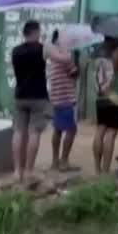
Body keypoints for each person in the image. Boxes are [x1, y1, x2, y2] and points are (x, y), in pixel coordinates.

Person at [10, 21, 50, 183]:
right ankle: (29, 170)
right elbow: (58, 57)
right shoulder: (42, 49)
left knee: (19, 132)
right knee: (34, 133)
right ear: (36, 32)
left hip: (20, 95)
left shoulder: (15, 51)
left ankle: (17, 171)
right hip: (38, 96)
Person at [92, 41, 118, 174]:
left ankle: (97, 169)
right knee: (111, 133)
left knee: (100, 131)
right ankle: (106, 170)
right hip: (115, 96)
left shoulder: (98, 53)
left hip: (100, 97)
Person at [46, 30, 80, 172]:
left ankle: (55, 162)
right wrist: (77, 63)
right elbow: (74, 74)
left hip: (56, 97)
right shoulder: (65, 56)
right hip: (65, 97)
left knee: (58, 129)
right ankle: (64, 161)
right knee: (71, 129)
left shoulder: (54, 55)